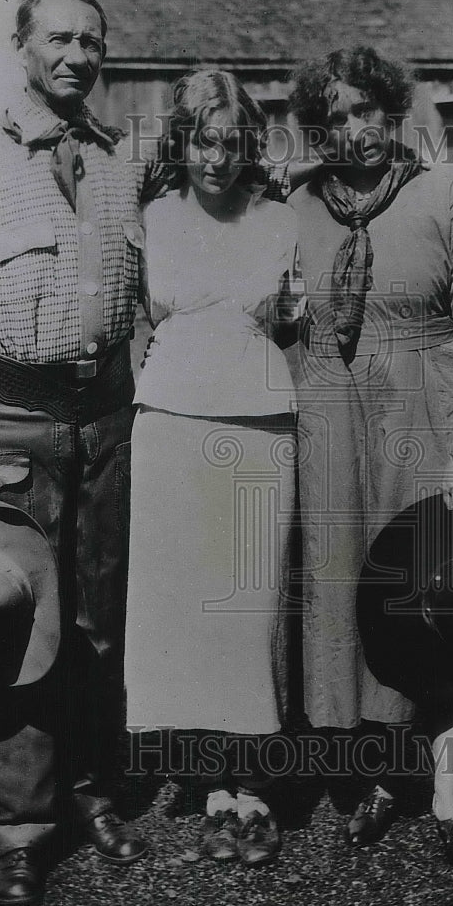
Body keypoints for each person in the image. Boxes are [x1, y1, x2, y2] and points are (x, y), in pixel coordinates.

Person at [0, 0, 174, 906]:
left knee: (98, 624)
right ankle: (19, 827)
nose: (76, 56)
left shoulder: (116, 162)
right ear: (21, 46)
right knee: (14, 630)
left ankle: (93, 790)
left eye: (92, 40)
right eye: (58, 38)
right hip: (9, 427)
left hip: (105, 425)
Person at [286, 46, 453, 873]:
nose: (355, 131)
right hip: (335, 418)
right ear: (320, 129)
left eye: (367, 111)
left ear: (393, 108)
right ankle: (387, 769)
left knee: (441, 593)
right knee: (361, 594)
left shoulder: (443, 192)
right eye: (336, 118)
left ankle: (449, 784)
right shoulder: (300, 205)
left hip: (425, 409)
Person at [123, 70, 302, 865]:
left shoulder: (280, 221)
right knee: (185, 616)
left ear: (249, 145)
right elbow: (134, 323)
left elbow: (295, 321)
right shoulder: (152, 218)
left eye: (232, 143)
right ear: (183, 140)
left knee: (248, 613)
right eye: (203, 141)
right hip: (168, 424)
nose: (218, 160)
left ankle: (254, 786)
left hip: (260, 425)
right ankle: (212, 790)